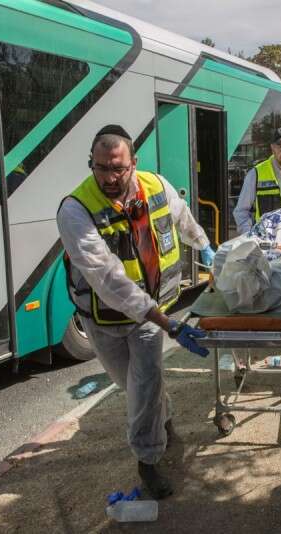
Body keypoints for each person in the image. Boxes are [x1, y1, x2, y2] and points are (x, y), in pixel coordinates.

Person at [56, 124, 216, 499]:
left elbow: (183, 217)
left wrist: (205, 245)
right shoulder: (75, 209)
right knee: (131, 385)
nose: (110, 177)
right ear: (91, 164)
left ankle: (148, 461)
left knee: (143, 388)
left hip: (148, 318)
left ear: (133, 163)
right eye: (100, 168)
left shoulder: (157, 185)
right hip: (105, 321)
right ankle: (166, 415)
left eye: (117, 168)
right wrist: (169, 325)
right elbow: (108, 279)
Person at [233, 127, 281, 234]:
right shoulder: (255, 174)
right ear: (272, 148)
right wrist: (251, 237)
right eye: (280, 146)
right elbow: (241, 211)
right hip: (266, 244)